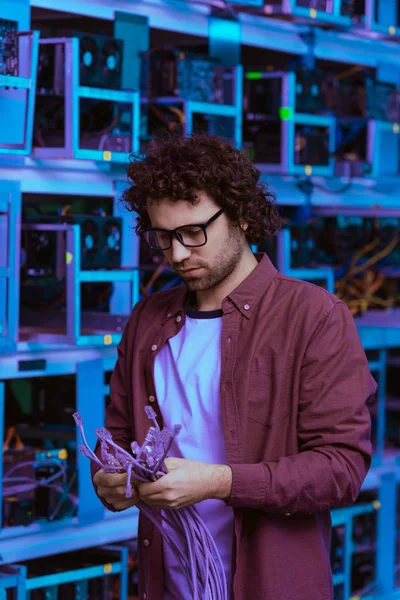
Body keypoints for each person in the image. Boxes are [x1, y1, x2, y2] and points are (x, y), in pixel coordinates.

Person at [91, 134, 377, 600]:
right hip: (171, 585)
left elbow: (340, 468)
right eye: (163, 237)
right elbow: (117, 439)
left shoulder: (314, 317)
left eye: (193, 232)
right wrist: (111, 480)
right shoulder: (147, 321)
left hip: (271, 584)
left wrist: (219, 482)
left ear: (242, 214)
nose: (179, 253)